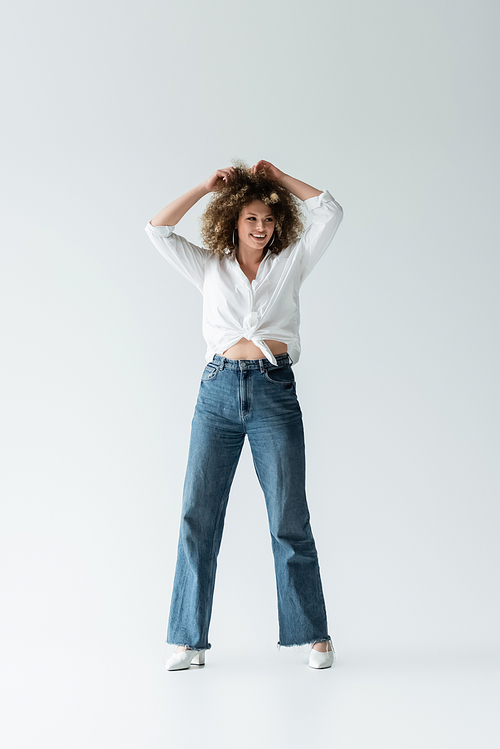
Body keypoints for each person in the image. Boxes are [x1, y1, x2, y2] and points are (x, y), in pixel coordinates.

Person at [144, 160, 343, 670]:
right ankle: (188, 638)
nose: (261, 228)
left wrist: (278, 180)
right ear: (233, 219)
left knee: (288, 518)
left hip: (274, 390)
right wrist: (203, 186)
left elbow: (330, 211)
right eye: (251, 219)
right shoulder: (209, 266)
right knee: (198, 516)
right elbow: (157, 229)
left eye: (269, 220)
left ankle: (314, 634)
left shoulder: (290, 261)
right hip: (217, 393)